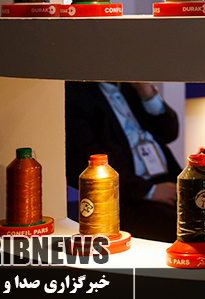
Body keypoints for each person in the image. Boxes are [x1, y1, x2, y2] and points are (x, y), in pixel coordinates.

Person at [65, 82, 182, 242]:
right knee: (182, 227)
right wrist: (149, 191)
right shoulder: (77, 95)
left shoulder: (131, 87)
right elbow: (83, 160)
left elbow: (170, 133)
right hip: (127, 193)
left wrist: (148, 93)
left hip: (164, 177)